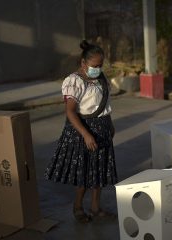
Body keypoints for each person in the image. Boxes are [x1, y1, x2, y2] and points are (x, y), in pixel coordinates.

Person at [44, 40, 117, 223]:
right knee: (85, 173)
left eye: (101, 65)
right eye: (95, 65)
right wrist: (86, 134)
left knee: (99, 170)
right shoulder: (74, 81)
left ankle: (95, 207)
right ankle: (77, 207)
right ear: (83, 63)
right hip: (83, 129)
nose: (98, 69)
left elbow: (105, 104)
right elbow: (70, 111)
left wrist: (110, 125)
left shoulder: (101, 78)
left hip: (102, 128)